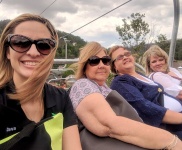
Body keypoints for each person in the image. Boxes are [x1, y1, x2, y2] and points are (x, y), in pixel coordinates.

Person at [69, 42, 182, 149]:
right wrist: (170, 140)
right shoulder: (83, 85)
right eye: (94, 61)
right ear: (84, 65)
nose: (101, 65)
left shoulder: (104, 88)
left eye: (105, 60)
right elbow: (109, 125)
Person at [0, 13, 82, 150]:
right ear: (8, 52)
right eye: (20, 42)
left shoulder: (61, 98)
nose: (33, 52)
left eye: (43, 45)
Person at [109, 45, 182, 140]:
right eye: (119, 57)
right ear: (114, 66)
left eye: (127, 54)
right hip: (168, 128)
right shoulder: (120, 82)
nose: (125, 57)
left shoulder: (140, 75)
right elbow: (144, 107)